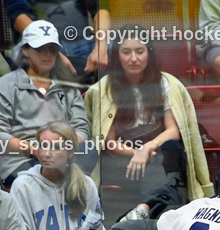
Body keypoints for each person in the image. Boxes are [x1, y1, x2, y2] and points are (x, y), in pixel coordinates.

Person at [85, 24, 213, 218]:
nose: (134, 58)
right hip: (122, 158)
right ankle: (149, 213)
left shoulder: (165, 83)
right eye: (126, 52)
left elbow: (173, 131)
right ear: (117, 56)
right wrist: (136, 153)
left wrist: (146, 150)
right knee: (163, 177)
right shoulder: (104, 88)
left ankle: (144, 208)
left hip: (156, 151)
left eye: (140, 51)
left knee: (173, 151)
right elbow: (108, 142)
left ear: (149, 53)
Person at [0, 20, 93, 187]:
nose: (47, 54)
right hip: (21, 159)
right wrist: (32, 149)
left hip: (64, 155)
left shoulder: (68, 87)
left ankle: (81, 206)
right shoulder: (5, 85)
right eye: (40, 48)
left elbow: (82, 126)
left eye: (52, 49)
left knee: (90, 151)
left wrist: (67, 148)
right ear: (25, 50)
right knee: (53, 178)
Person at [10, 122, 103, 230]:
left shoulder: (87, 186)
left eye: (55, 147)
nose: (47, 154)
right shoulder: (23, 186)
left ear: (70, 153)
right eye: (43, 146)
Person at [6, 0, 110, 81]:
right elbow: (18, 16)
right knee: (22, 56)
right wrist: (52, 51)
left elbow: (100, 7)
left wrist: (101, 47)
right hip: (40, 44)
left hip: (81, 42)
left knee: (120, 50)